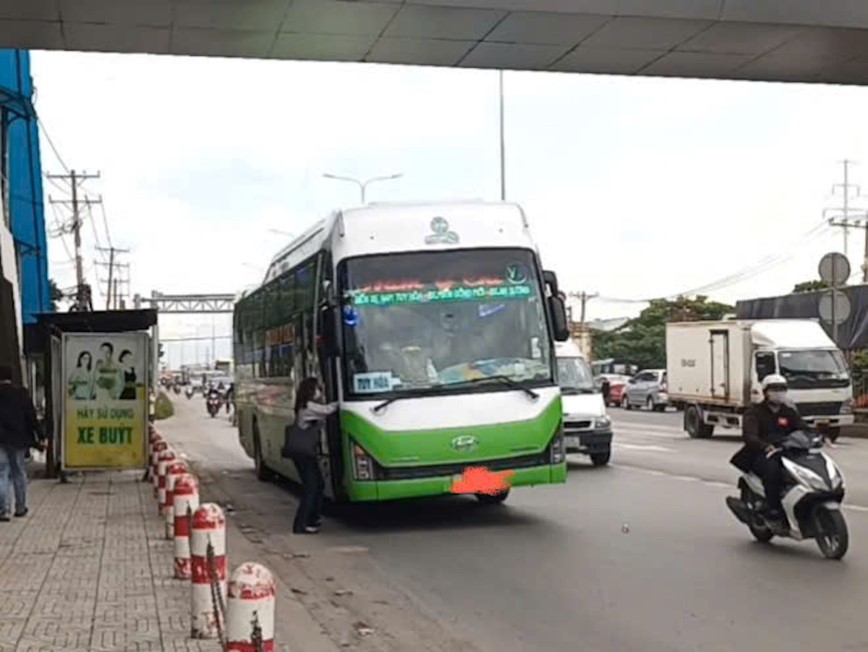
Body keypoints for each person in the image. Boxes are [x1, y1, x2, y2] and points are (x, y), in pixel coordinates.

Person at [730, 374, 807, 526]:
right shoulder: (754, 412)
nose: (779, 393)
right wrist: (765, 446)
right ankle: (772, 507)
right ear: (766, 392)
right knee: (773, 470)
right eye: (775, 389)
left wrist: (820, 436)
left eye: (782, 389)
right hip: (761, 454)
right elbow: (749, 436)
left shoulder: (788, 412)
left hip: (786, 452)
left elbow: (802, 428)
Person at [291, 377, 337, 534]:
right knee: (312, 488)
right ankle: (301, 524)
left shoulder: (305, 406)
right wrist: (342, 399)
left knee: (317, 486)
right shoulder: (309, 407)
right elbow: (329, 410)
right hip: (304, 454)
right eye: (317, 388)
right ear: (311, 390)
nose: (319, 391)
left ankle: (312, 519)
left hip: (304, 453)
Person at [0, 365, 46, 521]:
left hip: (1, 441)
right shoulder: (21, 394)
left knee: (2, 473)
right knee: (19, 472)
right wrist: (41, 435)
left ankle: (4, 510)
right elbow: (31, 416)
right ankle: (20, 507)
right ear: (11, 377)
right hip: (19, 440)